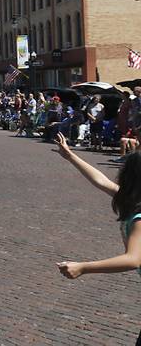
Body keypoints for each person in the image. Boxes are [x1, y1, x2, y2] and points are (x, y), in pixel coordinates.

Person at [54, 132, 141, 343]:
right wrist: (71, 156)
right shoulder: (130, 200)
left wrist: (83, 267)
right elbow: (100, 180)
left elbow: (134, 259)